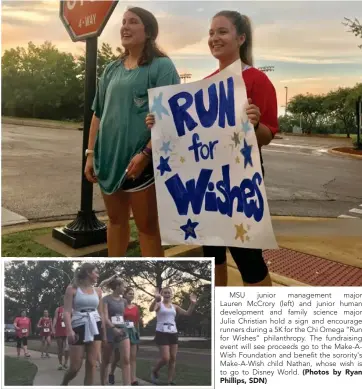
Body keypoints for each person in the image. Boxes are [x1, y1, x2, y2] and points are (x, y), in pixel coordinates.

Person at [146, 11, 278, 287]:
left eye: (222, 32)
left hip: (239, 180)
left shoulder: (256, 80)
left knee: (247, 255)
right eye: (211, 33)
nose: (214, 38)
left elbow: (267, 135)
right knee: (212, 253)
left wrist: (254, 124)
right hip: (205, 179)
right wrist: (160, 123)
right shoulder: (205, 84)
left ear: (240, 38)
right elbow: (187, 133)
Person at [84, 6, 180, 258]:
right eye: (123, 22)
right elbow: (98, 113)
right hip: (108, 158)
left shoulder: (162, 67)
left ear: (148, 31)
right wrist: (91, 153)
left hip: (142, 163)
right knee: (116, 222)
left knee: (147, 228)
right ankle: (113, 275)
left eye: (133, 22)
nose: (125, 26)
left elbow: (170, 118)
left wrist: (147, 154)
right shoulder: (111, 69)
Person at [61, 263, 104, 386]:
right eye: (96, 272)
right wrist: (69, 331)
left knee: (92, 363)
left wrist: (104, 331)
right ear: (88, 273)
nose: (98, 275)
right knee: (75, 367)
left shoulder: (98, 291)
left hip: (95, 325)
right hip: (78, 326)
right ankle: (64, 383)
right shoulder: (72, 289)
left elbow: (101, 312)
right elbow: (67, 311)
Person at [149, 287, 197, 386]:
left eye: (169, 293)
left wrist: (192, 304)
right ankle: (154, 370)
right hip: (161, 333)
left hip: (173, 333)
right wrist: (155, 299)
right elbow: (151, 309)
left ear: (171, 295)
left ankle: (169, 381)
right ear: (162, 294)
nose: (167, 294)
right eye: (165, 293)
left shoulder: (175, 307)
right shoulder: (159, 304)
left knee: (173, 358)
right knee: (166, 358)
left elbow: (187, 313)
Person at [100, 276, 131, 386]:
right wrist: (113, 328)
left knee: (126, 359)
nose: (124, 288)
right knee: (106, 360)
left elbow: (125, 316)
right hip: (109, 332)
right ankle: (103, 383)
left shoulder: (124, 301)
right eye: (123, 286)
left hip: (123, 331)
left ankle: (127, 385)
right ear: (117, 287)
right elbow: (104, 315)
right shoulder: (106, 299)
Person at [123, 287, 141, 386]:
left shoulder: (136, 307)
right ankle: (112, 371)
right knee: (123, 357)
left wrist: (138, 334)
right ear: (124, 295)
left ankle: (133, 379)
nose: (131, 295)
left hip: (133, 333)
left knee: (133, 357)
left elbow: (137, 322)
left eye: (132, 294)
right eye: (129, 293)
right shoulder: (121, 306)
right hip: (123, 332)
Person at [53, 301, 70, 370]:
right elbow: (55, 318)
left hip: (67, 331)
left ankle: (65, 363)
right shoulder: (58, 309)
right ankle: (60, 363)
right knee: (60, 348)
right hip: (59, 331)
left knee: (67, 348)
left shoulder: (70, 309)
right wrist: (53, 327)